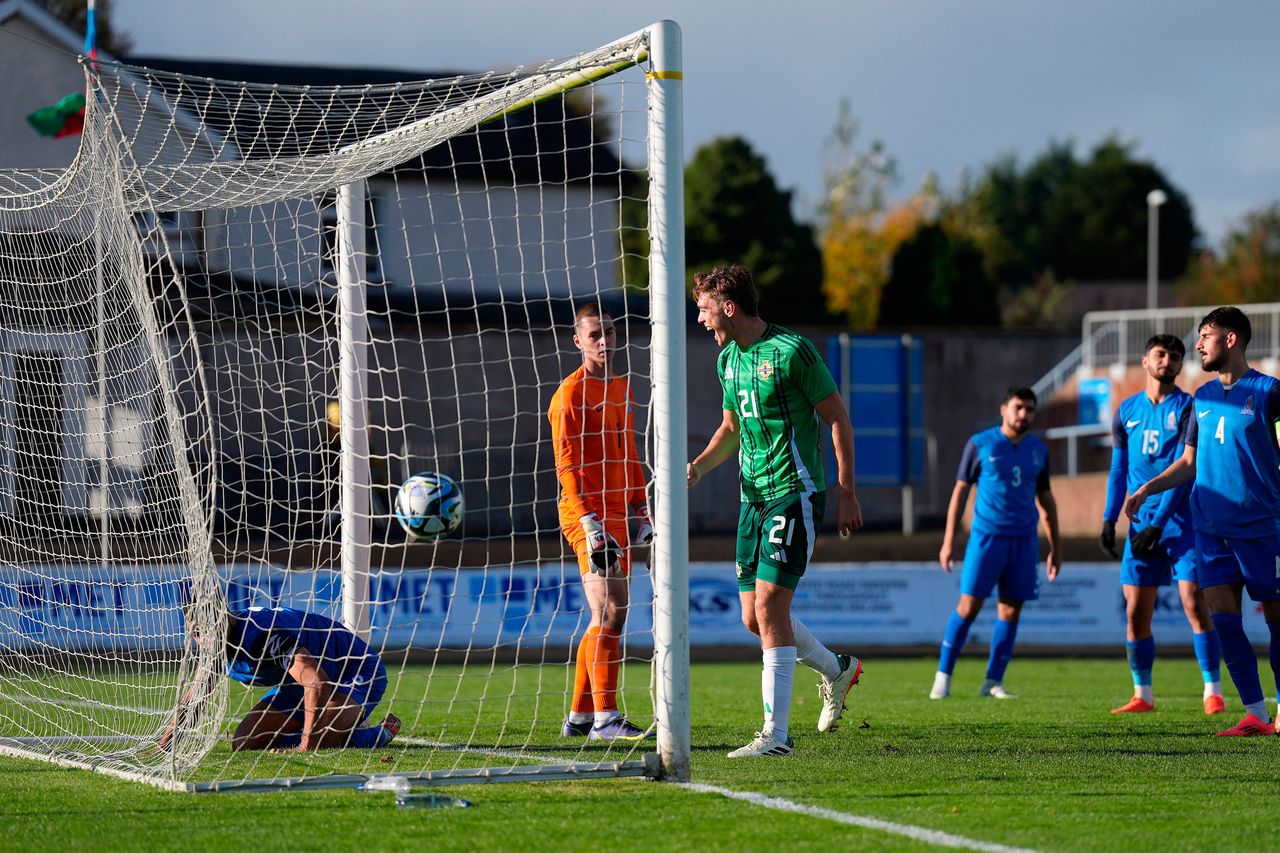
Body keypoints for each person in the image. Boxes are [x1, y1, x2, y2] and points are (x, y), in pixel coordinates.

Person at [687, 263, 863, 758]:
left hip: (796, 491)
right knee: (753, 617)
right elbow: (731, 429)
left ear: (728, 306)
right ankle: (837, 669)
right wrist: (697, 468)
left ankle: (775, 737)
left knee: (769, 607)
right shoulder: (727, 361)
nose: (699, 320)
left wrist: (846, 492)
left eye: (702, 309)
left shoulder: (793, 352)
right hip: (752, 498)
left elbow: (838, 420)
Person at [1125, 307, 1280, 736]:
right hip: (1210, 530)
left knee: (1276, 620)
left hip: (1264, 530)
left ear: (1231, 340)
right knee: (1225, 623)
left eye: (1205, 336)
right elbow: (1189, 462)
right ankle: (1256, 715)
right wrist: (1145, 489)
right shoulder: (1202, 397)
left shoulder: (1270, 393)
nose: (1197, 345)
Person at [1100, 334, 1224, 715]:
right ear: (1145, 361)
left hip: (1182, 522)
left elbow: (1185, 471)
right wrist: (1108, 518)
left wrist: (1160, 521)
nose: (1167, 360)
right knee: (1136, 609)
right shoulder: (1126, 410)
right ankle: (1143, 694)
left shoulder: (1190, 407)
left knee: (1193, 601)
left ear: (1180, 364)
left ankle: (1212, 691)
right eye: (1160, 354)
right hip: (1140, 524)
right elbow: (1119, 468)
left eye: (1174, 356)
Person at [547, 303, 654, 741]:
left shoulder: (623, 388)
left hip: (615, 514)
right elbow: (565, 466)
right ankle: (606, 719)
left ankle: (579, 716)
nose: (605, 341)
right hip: (584, 516)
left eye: (610, 331)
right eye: (595, 335)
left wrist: (640, 510)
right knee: (609, 610)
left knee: (607, 614)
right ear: (579, 342)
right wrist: (590, 522)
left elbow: (627, 453)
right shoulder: (569, 395)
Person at [930, 387, 1061, 701]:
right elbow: (960, 493)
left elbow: (1046, 500)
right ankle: (943, 677)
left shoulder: (1038, 451)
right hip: (986, 539)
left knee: (1011, 610)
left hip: (1024, 541)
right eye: (1018, 407)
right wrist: (948, 541)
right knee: (969, 606)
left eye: (1030, 409)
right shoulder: (980, 444)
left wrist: (1057, 546)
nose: (1024, 414)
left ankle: (992, 682)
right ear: (1004, 409)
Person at [160, 604, 399, 752]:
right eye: (198, 633)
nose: (206, 637)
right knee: (244, 742)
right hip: (296, 684)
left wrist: (305, 745)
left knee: (319, 740)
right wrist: (165, 745)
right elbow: (194, 700)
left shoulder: (264, 637)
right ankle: (341, 724)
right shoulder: (212, 652)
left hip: (353, 669)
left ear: (226, 615)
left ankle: (378, 733)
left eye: (210, 627)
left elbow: (318, 682)